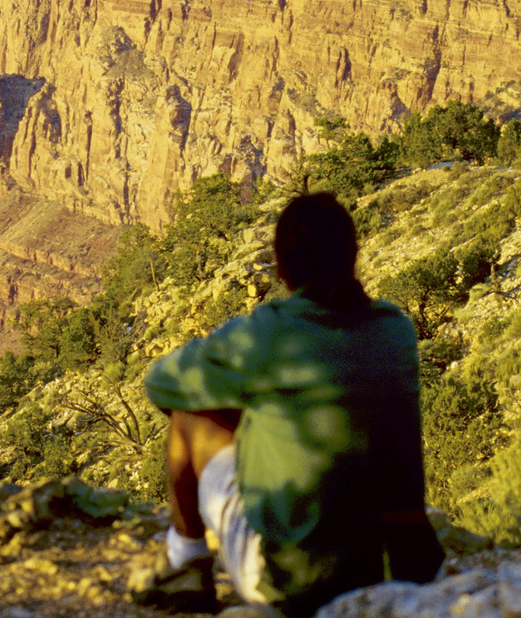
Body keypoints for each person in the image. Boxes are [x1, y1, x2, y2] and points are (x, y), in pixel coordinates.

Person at [137, 192, 445, 615]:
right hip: (402, 571)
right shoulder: (396, 329)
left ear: (281, 268)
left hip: (297, 582)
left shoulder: (269, 334)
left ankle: (184, 563)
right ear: (353, 256)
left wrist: (240, 397)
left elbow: (161, 384)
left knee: (193, 415)